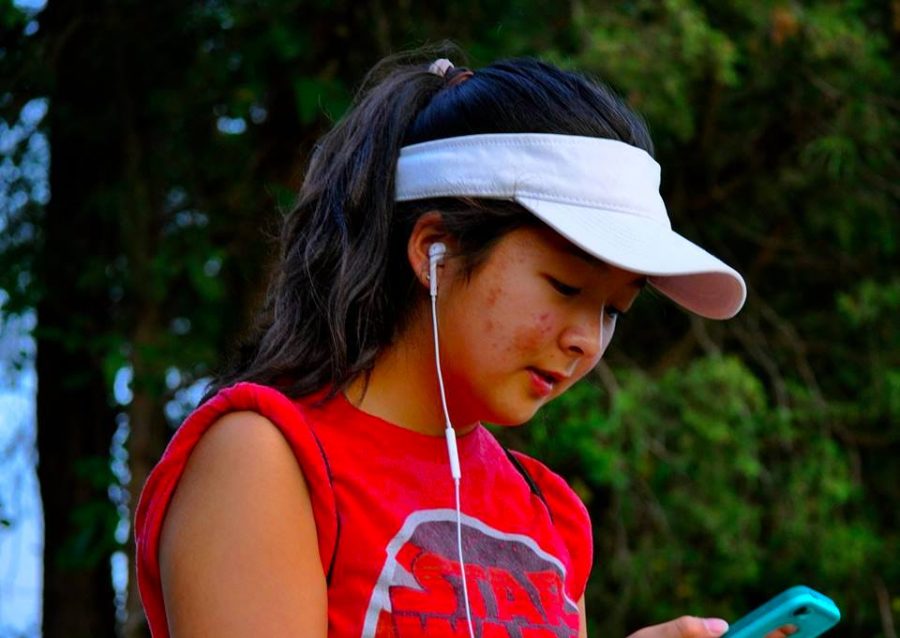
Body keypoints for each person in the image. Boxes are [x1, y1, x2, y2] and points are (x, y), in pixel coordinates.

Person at [134, 53, 778, 638]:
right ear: (433, 250)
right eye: (564, 286)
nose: (586, 339)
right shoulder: (269, 456)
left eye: (614, 310)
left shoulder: (547, 512)